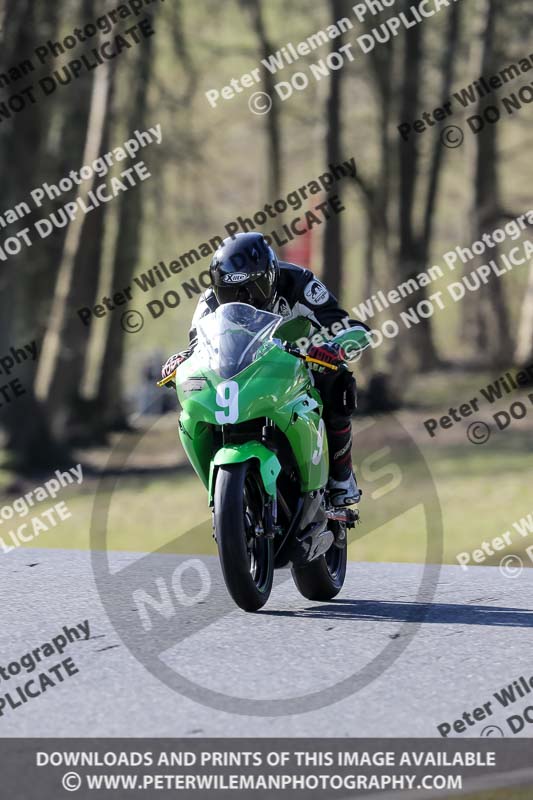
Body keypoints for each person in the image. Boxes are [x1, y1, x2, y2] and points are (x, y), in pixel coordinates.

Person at [161, 232, 370, 507]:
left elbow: (350, 328)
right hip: (244, 372)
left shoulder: (299, 283)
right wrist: (179, 362)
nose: (243, 299)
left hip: (299, 364)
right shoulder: (208, 302)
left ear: (270, 277)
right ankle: (224, 491)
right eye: (230, 292)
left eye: (252, 290)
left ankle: (341, 476)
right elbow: (198, 348)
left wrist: (335, 347)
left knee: (338, 381)